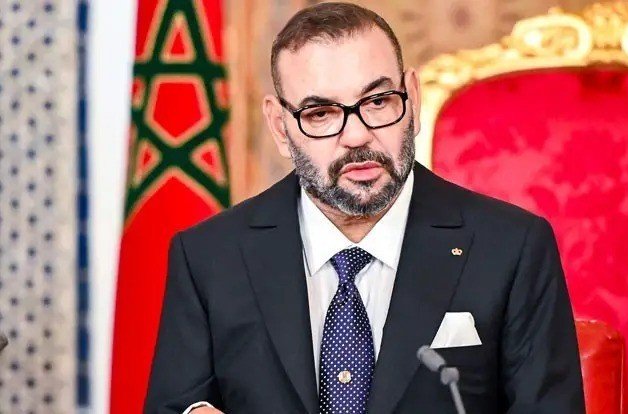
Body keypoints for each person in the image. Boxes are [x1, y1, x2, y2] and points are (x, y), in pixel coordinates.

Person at [144, 2, 584, 413]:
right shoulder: (208, 258)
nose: (356, 136)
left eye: (377, 102)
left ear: (412, 98)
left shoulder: (511, 248)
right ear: (280, 127)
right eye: (320, 113)